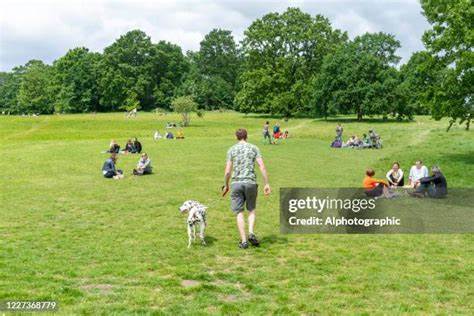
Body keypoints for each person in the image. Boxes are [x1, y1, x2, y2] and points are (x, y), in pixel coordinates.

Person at [223, 128, 271, 249]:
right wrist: (266, 183)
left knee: (239, 212)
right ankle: (251, 232)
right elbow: (262, 166)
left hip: (236, 183)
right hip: (251, 183)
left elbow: (228, 171)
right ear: (247, 136)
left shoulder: (231, 149)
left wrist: (226, 185)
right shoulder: (254, 148)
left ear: (236, 137)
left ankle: (244, 241)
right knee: (251, 209)